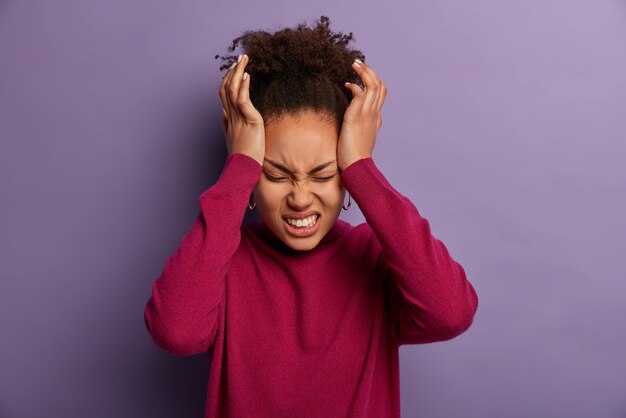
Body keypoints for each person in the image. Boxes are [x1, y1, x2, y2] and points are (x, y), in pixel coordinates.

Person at [144, 15, 479, 418]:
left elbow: (450, 314)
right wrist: (239, 167)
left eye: (324, 174)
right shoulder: (221, 261)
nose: (300, 199)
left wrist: (361, 167)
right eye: (274, 173)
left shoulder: (374, 259)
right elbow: (175, 332)